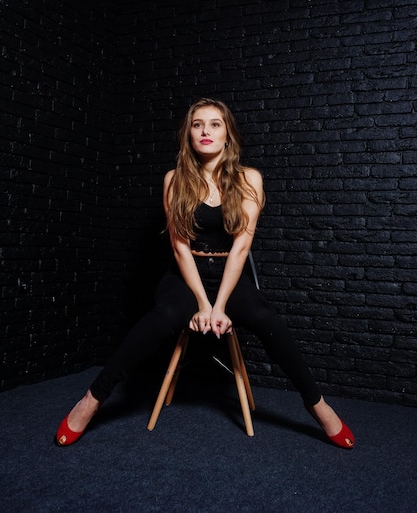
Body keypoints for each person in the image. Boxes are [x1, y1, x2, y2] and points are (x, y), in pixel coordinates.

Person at [56, 98, 354, 449]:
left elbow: (241, 248)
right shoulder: (174, 180)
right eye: (198, 124)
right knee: (162, 317)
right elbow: (180, 248)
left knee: (267, 319)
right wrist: (201, 302)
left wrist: (220, 305)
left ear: (228, 134)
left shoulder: (249, 179)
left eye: (215, 124)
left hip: (229, 271)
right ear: (189, 134)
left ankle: (318, 406)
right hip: (186, 274)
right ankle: (91, 400)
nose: (205, 131)